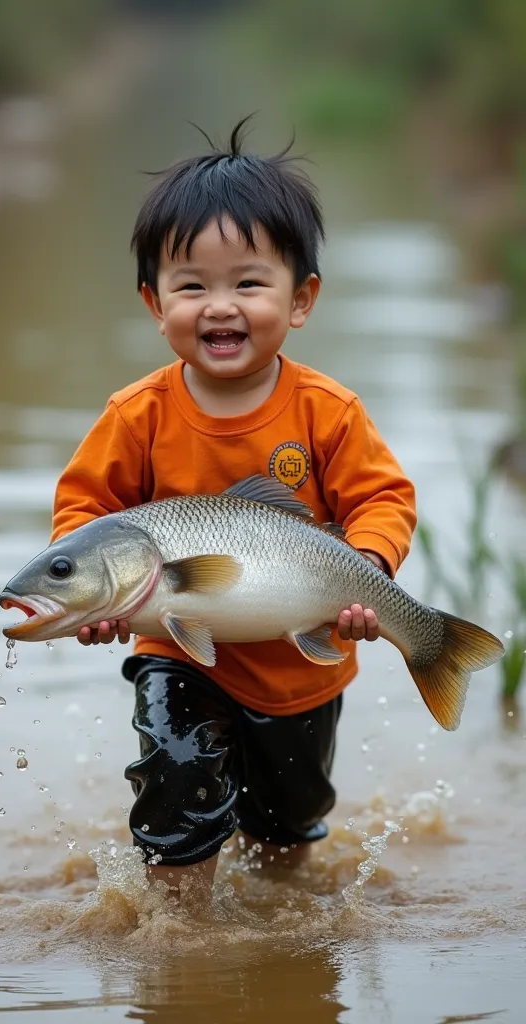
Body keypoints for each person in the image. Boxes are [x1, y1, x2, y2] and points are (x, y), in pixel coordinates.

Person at [50, 118, 417, 896]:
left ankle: (282, 937)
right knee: (173, 783)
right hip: (177, 649)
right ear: (155, 303)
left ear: (302, 297)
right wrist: (91, 596)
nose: (220, 306)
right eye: (192, 286)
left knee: (288, 828)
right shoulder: (134, 415)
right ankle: (180, 945)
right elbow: (86, 514)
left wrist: (373, 570)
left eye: (248, 283)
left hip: (300, 666)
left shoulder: (329, 412)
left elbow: (384, 498)